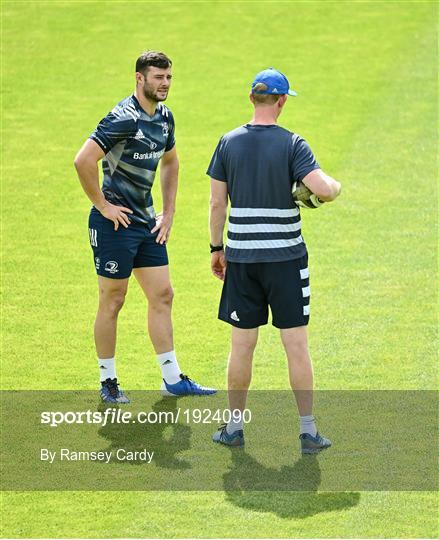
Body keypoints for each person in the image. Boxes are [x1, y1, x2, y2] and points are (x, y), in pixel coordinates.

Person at [207, 68, 341, 453]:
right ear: (282, 101)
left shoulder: (227, 143)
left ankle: (234, 428)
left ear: (252, 98)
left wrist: (216, 249)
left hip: (242, 259)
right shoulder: (293, 144)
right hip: (286, 260)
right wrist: (334, 186)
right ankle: (308, 430)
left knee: (241, 345)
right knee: (295, 344)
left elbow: (218, 202)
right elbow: (322, 190)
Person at [74, 50, 216, 403]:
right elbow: (83, 160)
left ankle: (172, 377)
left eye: (168, 77)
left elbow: (171, 162)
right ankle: (108, 381)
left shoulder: (165, 117)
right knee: (113, 300)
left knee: (163, 294)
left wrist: (168, 212)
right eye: (158, 77)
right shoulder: (122, 118)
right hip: (115, 226)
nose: (165, 83)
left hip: (146, 223)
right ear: (140, 78)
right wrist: (103, 206)